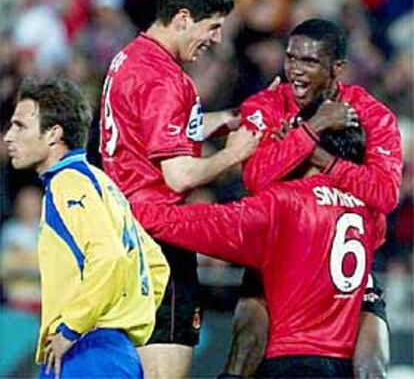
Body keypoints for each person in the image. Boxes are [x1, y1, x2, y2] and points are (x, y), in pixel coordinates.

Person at [99, 0, 261, 377]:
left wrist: (220, 120)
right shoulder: (168, 79)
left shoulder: (129, 58)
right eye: (213, 27)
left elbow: (150, 130)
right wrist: (233, 154)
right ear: (184, 18)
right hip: (160, 244)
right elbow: (180, 175)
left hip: (118, 236)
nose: (217, 39)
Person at [223, 18, 402, 378]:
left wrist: (324, 160)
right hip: (278, 258)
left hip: (343, 263)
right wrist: (314, 128)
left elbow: (385, 194)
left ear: (338, 69)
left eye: (309, 62)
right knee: (243, 351)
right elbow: (256, 177)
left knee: (373, 368)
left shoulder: (373, 116)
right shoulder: (265, 105)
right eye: (290, 58)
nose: (295, 71)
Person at [149, 124, 383, 378]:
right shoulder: (369, 212)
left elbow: (199, 224)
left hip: (290, 362)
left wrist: (136, 209)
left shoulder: (285, 202)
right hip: (341, 366)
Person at [4, 77, 169, 379]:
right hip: (114, 350)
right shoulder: (103, 184)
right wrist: (127, 315)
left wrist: (72, 328)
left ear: (53, 134)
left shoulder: (68, 183)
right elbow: (155, 265)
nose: (8, 137)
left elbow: (109, 257)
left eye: (20, 126)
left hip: (86, 350)